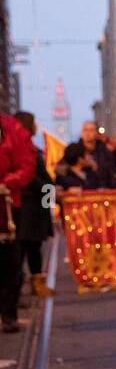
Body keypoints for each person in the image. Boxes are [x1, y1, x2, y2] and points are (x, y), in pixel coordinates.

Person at [0, 111, 36, 331]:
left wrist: (7, 184)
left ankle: (8, 312)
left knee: (9, 262)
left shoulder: (12, 129)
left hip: (7, 206)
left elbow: (27, 166)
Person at [14, 112, 53, 299]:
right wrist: (48, 189)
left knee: (34, 247)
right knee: (22, 248)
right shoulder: (19, 148)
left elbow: (42, 176)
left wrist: (50, 195)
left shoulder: (32, 148)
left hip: (36, 207)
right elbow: (29, 177)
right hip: (26, 207)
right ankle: (16, 289)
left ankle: (36, 284)